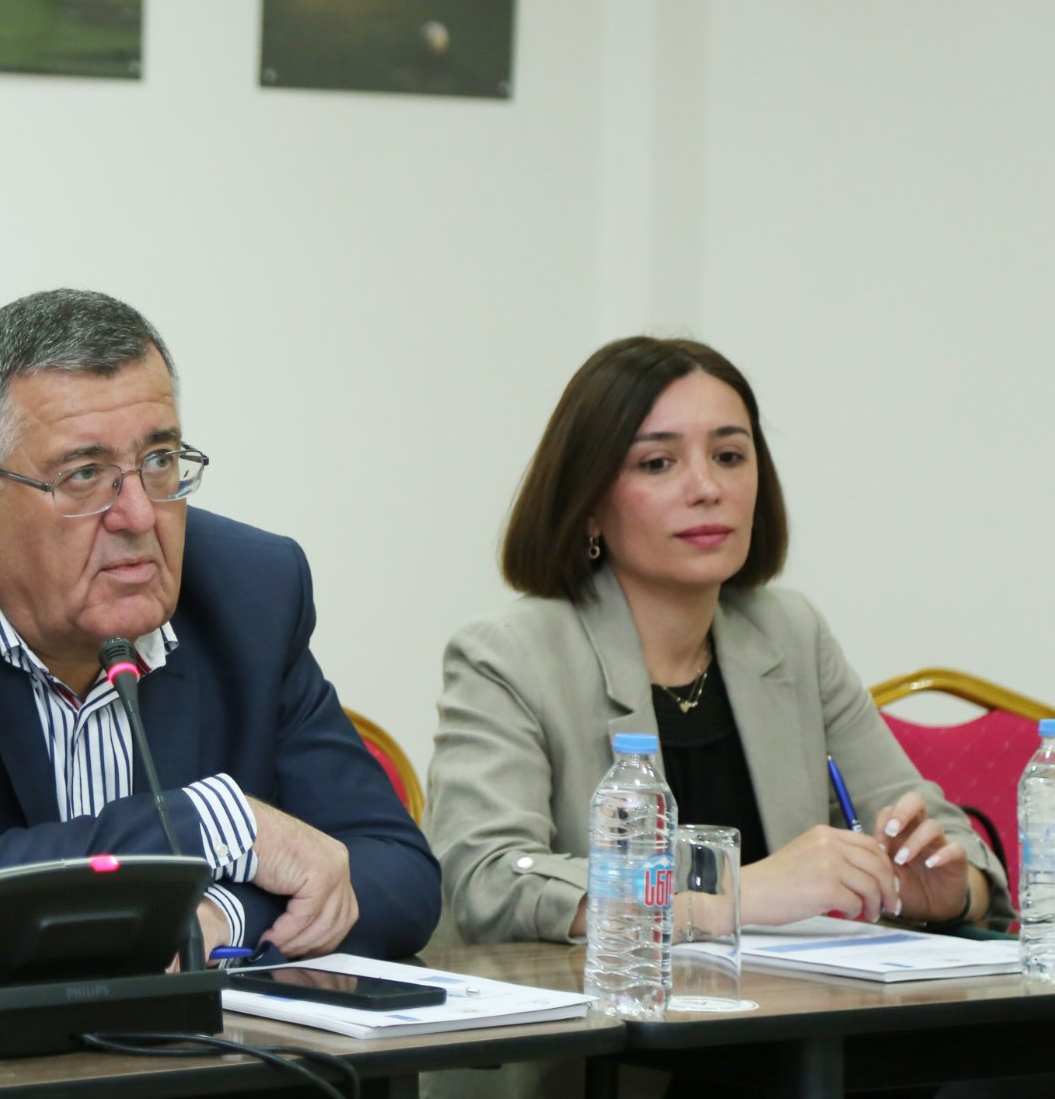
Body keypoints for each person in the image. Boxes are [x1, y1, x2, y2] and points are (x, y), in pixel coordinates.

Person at [0, 289, 440, 989]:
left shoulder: (250, 592)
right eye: (85, 475)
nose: (139, 515)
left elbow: (395, 869)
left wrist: (218, 916)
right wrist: (207, 823)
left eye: (160, 460)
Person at [427, 336, 1004, 946]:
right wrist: (730, 893)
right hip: (603, 1004)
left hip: (786, 1001)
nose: (706, 487)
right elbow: (488, 882)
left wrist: (947, 892)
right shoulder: (509, 655)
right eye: (658, 463)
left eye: (729, 456)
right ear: (589, 503)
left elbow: (945, 840)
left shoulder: (790, 634)